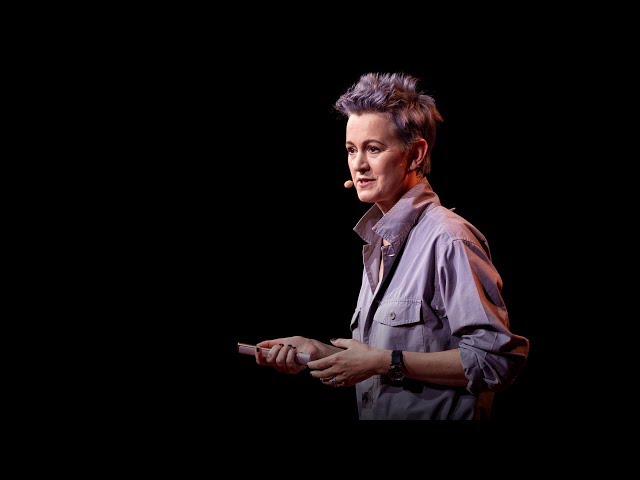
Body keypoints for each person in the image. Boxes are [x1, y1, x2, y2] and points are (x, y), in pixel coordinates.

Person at [254, 72, 529, 420]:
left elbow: (495, 361)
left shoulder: (448, 238)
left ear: (415, 155)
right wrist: (317, 353)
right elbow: (378, 359)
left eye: (373, 148)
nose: (358, 164)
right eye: (351, 150)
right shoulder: (379, 240)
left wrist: (386, 362)